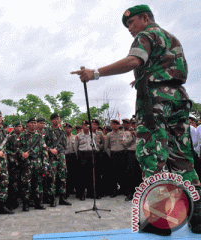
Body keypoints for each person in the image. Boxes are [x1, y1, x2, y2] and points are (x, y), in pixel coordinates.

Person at [71, 4, 201, 234]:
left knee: (151, 156)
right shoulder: (171, 38)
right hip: (178, 100)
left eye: (131, 23)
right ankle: (199, 216)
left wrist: (95, 73)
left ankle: (159, 222)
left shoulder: (146, 35)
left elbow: (134, 60)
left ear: (145, 17)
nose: (130, 28)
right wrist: (142, 79)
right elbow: (172, 69)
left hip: (155, 104)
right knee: (182, 160)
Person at [19, 117, 49, 211]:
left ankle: (38, 203)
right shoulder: (23, 136)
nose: (33, 124)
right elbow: (17, 148)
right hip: (27, 163)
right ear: (28, 124)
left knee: (38, 183)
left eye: (35, 123)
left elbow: (44, 150)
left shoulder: (39, 136)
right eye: (31, 122)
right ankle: (26, 204)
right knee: (26, 184)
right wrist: (21, 153)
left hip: (38, 163)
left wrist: (45, 164)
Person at [44, 113, 71, 206]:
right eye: (55, 119)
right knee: (52, 178)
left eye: (58, 118)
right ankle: (52, 199)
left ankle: (62, 198)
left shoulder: (62, 132)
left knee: (63, 177)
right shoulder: (47, 131)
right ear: (51, 120)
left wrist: (60, 151)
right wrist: (50, 150)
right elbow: (43, 145)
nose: (57, 120)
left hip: (61, 157)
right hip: (52, 158)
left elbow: (64, 144)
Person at [64, 122, 78, 197]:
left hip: (73, 156)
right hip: (66, 157)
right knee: (67, 174)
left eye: (69, 128)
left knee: (74, 173)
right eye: (66, 128)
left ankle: (75, 189)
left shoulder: (75, 137)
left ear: (71, 129)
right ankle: (68, 190)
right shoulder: (62, 138)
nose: (68, 129)